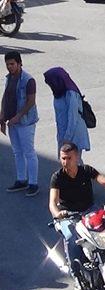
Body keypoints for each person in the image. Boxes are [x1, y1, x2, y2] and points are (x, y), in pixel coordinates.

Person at [49, 142, 105, 289]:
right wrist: (58, 214)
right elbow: (52, 203)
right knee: (72, 239)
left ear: (77, 157)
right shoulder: (57, 177)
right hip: (69, 215)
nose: (65, 162)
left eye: (69, 158)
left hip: (89, 209)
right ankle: (77, 274)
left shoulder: (86, 170)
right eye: (63, 158)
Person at [1, 51, 39, 197]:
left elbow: (31, 102)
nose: (9, 67)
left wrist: (18, 116)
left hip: (25, 122)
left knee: (29, 152)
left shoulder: (28, 80)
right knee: (17, 152)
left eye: (12, 64)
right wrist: (2, 116)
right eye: (7, 64)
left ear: (19, 63)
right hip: (12, 121)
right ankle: (21, 179)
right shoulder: (9, 78)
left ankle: (33, 183)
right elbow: (6, 97)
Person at [43, 67, 90, 161]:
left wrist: (67, 138)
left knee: (72, 165)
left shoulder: (71, 94)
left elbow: (73, 117)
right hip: (64, 134)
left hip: (73, 134)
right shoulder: (59, 93)